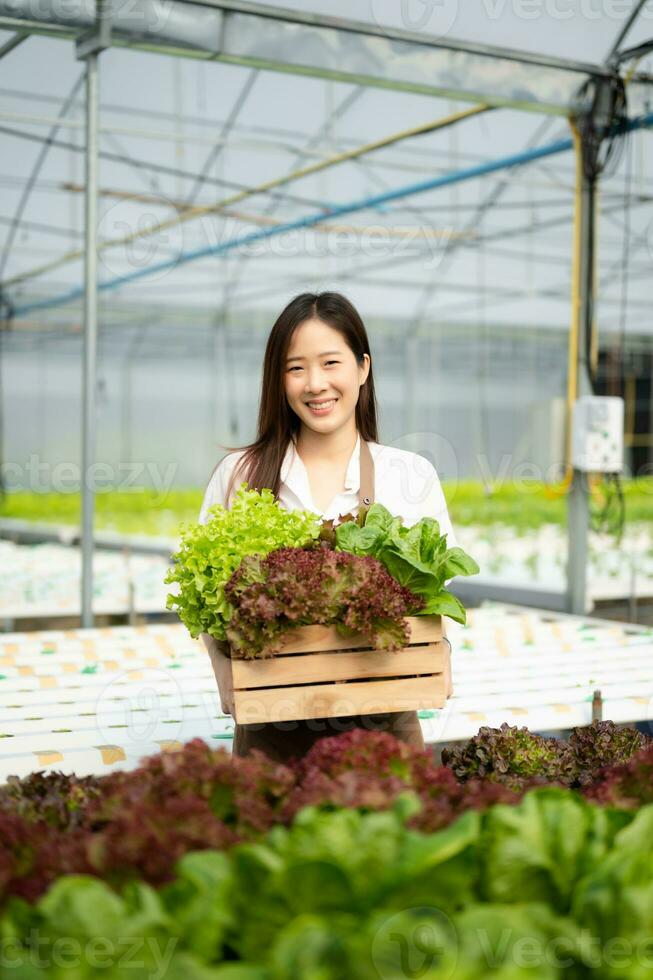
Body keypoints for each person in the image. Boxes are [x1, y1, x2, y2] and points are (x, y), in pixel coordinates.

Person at [198, 291, 458, 763]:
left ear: (363, 368)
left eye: (330, 363)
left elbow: (436, 596)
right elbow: (205, 603)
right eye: (296, 368)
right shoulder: (239, 474)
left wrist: (441, 655)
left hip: (384, 728)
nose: (315, 384)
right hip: (270, 730)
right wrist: (221, 667)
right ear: (278, 380)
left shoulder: (410, 476)